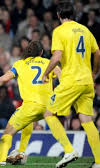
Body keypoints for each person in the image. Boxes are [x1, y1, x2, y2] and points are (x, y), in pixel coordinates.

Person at [41, 2, 100, 168]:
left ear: (59, 15)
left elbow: (57, 56)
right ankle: (99, 161)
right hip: (87, 82)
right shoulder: (84, 29)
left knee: (48, 114)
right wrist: (94, 73)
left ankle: (69, 150)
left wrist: (46, 73)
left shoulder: (59, 31)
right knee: (87, 120)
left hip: (71, 81)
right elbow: (97, 53)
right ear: (73, 14)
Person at [0, 41, 60, 166]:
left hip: (31, 106)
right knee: (27, 122)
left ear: (27, 51)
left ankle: (1, 160)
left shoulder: (20, 64)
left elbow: (4, 78)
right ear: (41, 52)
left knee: (8, 133)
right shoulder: (48, 63)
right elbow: (61, 76)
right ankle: (21, 152)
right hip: (48, 107)